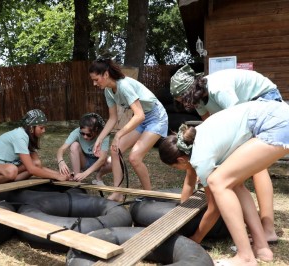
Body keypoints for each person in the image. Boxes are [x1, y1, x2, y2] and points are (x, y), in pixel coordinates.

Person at [158, 99, 289, 266]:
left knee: (218, 181)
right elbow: (190, 179)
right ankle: (262, 248)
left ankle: (245, 257)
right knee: (235, 184)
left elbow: (214, 208)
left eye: (175, 167)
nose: (180, 170)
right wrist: (183, 210)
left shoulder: (201, 157)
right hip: (279, 116)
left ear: (181, 160)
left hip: (274, 124)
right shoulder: (196, 139)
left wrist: (195, 238)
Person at [170, 65, 282, 243]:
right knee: (237, 176)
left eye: (184, 99)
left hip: (263, 102)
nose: (185, 104)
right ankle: (253, 224)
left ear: (191, 91)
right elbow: (212, 125)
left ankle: (268, 228)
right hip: (246, 113)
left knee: (257, 167)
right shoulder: (198, 100)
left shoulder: (218, 89)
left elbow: (238, 122)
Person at [89, 58, 168, 202]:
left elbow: (140, 115)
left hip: (156, 117)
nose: (94, 83)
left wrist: (119, 134)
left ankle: (149, 195)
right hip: (139, 118)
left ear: (105, 74)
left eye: (96, 79)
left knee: (134, 157)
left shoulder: (123, 85)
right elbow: (113, 119)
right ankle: (118, 192)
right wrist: (99, 139)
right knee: (115, 149)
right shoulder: (108, 91)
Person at [0, 109, 69, 192]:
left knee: (36, 163)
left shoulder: (29, 138)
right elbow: (31, 169)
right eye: (41, 127)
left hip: (4, 170)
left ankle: (2, 189)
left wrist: (60, 174)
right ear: (31, 127)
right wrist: (56, 177)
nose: (44, 131)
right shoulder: (20, 136)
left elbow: (37, 166)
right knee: (11, 170)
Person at [57, 112, 111, 185]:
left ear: (96, 130)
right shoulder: (76, 132)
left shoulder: (103, 134)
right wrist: (61, 161)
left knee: (114, 160)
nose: (85, 136)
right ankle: (77, 179)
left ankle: (99, 176)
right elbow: (61, 149)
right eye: (82, 133)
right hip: (84, 161)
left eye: (88, 134)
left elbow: (102, 159)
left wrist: (85, 174)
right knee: (74, 145)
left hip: (98, 163)